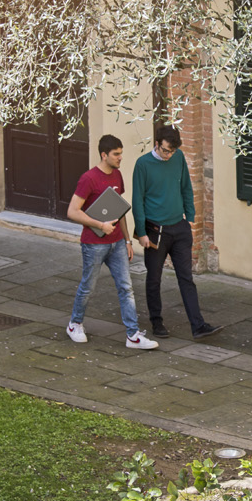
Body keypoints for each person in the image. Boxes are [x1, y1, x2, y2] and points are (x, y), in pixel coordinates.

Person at [65, 135, 159, 351]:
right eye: (116, 154)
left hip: (117, 243)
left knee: (126, 288)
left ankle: (133, 335)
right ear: (104, 155)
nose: (120, 158)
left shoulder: (117, 175)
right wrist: (100, 224)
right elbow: (72, 211)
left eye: (121, 153)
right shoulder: (88, 179)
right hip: (94, 244)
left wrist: (127, 240)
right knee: (88, 286)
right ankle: (75, 324)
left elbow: (120, 210)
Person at [132, 125, 221, 340]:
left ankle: (198, 325)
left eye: (172, 151)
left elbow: (186, 188)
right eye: (165, 150)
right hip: (155, 231)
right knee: (154, 279)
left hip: (179, 228)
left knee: (186, 278)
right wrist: (142, 232)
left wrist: (189, 219)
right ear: (157, 144)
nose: (169, 155)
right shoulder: (143, 165)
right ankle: (157, 322)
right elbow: (137, 201)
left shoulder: (178, 157)